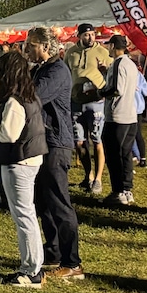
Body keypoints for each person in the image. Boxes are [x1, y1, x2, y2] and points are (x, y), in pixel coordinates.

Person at [0, 49, 47, 288]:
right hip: (30, 158)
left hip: (18, 160)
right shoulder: (28, 95)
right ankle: (33, 266)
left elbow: (9, 133)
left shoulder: (14, 100)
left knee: (23, 215)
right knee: (27, 214)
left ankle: (31, 271)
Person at [25, 27, 84, 280]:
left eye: (31, 45)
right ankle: (54, 251)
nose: (26, 49)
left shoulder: (56, 70)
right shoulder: (41, 68)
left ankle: (73, 263)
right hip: (44, 140)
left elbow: (34, 97)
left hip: (56, 142)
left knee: (59, 202)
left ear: (45, 47)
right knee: (43, 200)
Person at [64, 23, 108, 196]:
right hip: (76, 101)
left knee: (97, 140)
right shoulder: (71, 53)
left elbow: (111, 75)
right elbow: (66, 73)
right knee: (80, 142)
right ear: (79, 36)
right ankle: (87, 175)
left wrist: (105, 71)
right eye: (86, 35)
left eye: (92, 34)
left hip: (95, 102)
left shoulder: (103, 52)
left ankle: (98, 179)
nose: (90, 38)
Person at [98, 33, 140, 205]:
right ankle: (127, 189)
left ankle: (118, 191)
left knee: (114, 155)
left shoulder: (118, 63)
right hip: (131, 115)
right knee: (126, 154)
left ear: (114, 47)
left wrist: (100, 92)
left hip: (117, 117)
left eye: (109, 45)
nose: (108, 48)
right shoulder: (131, 64)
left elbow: (116, 89)